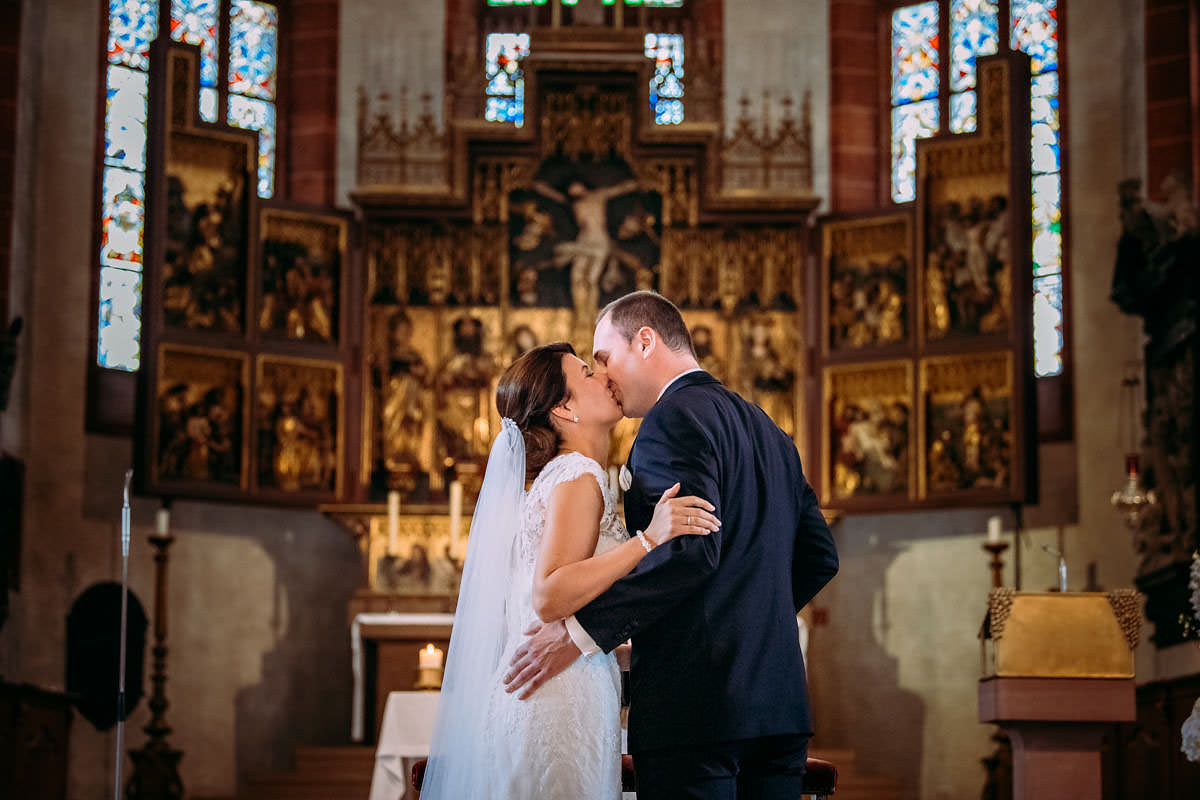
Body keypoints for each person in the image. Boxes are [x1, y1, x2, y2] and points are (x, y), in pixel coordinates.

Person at [503, 290, 839, 800]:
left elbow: (689, 552)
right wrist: (751, 620)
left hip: (696, 707)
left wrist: (582, 634)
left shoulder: (671, 419)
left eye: (605, 358)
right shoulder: (769, 429)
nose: (605, 375)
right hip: (778, 704)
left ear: (645, 341)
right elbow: (819, 555)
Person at [420, 341, 721, 800]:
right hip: (559, 698)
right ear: (564, 407)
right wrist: (648, 539)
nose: (603, 376)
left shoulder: (567, 474)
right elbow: (549, 596)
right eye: (586, 373)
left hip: (559, 682)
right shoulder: (578, 475)